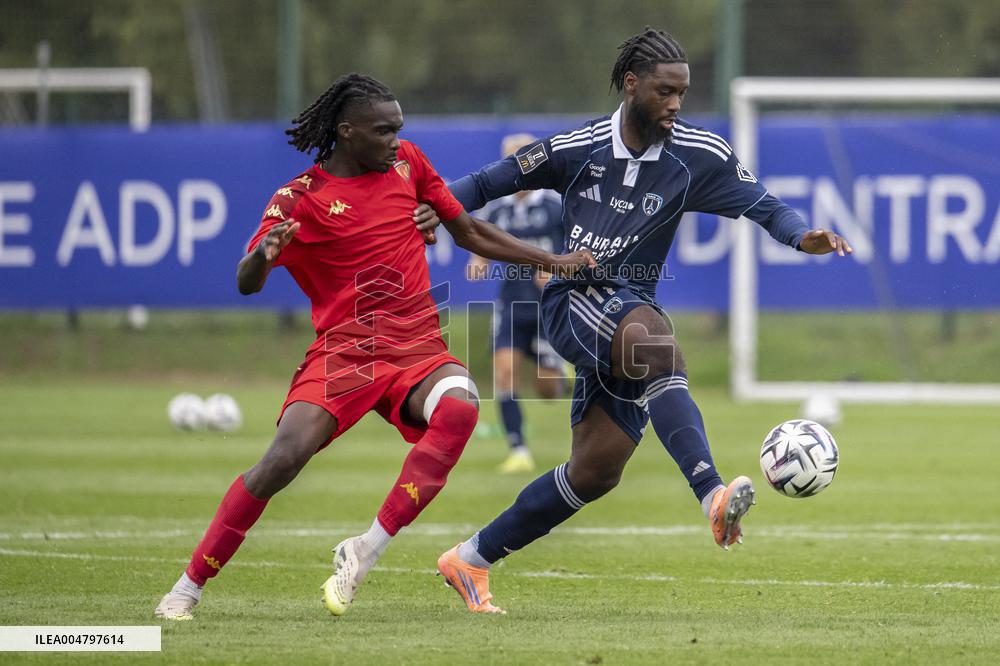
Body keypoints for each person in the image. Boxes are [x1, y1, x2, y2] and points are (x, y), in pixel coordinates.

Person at [437, 28, 854, 613]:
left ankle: (469, 560)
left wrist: (799, 235)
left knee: (595, 470)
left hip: (628, 311)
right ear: (631, 85)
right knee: (658, 344)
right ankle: (711, 495)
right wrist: (430, 211)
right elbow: (485, 183)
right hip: (572, 296)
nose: (676, 105)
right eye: (665, 91)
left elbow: (763, 204)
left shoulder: (697, 155)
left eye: (682, 93)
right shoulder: (576, 147)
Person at [153, 73, 594, 620]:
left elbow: (472, 232)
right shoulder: (300, 199)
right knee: (280, 462)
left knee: (460, 406)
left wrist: (550, 261)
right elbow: (246, 281)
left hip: (417, 345)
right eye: (383, 131)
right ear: (346, 132)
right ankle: (188, 586)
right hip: (345, 353)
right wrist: (264, 254)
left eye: (398, 129)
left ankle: (365, 549)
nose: (395, 139)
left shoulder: (408, 163)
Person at [466, 133, 566, 474]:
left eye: (519, 159)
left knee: (549, 389)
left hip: (548, 307)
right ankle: (518, 449)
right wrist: (478, 259)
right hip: (511, 303)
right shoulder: (498, 210)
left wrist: (555, 269)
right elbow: (480, 239)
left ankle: (561, 373)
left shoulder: (555, 206)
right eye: (507, 160)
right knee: (505, 372)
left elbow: (578, 249)